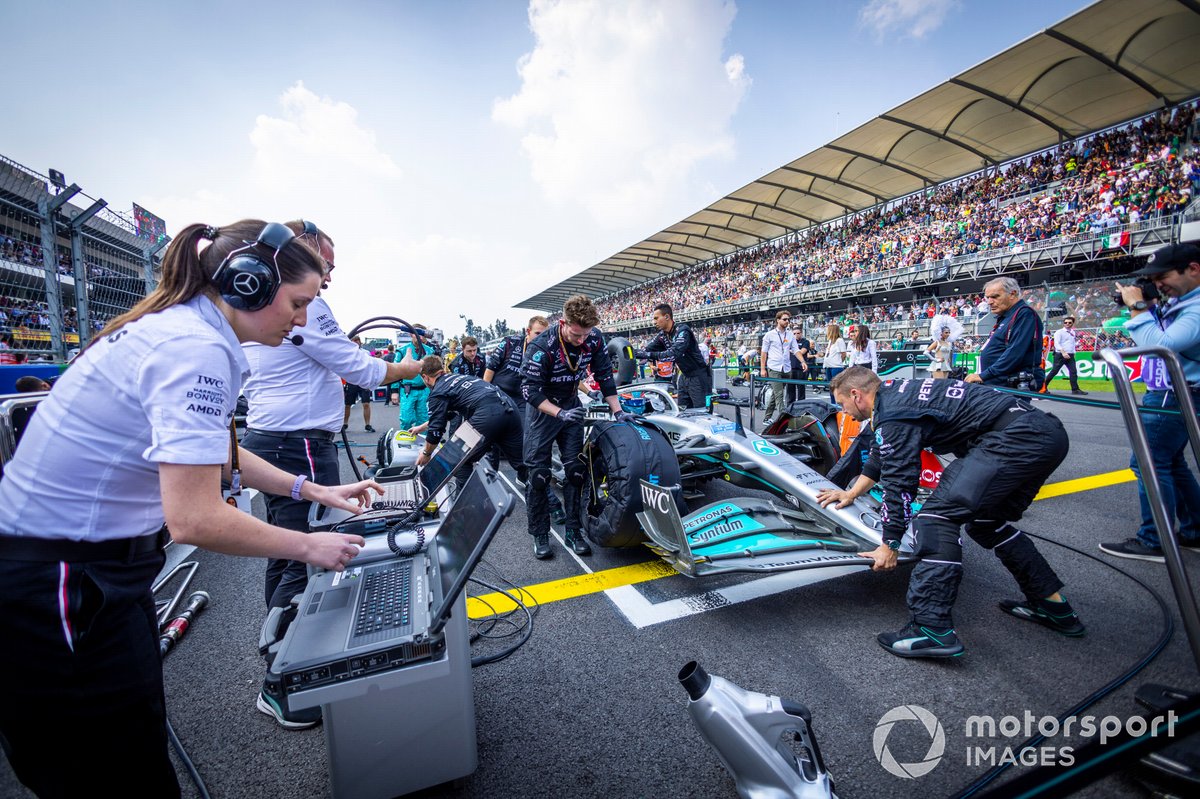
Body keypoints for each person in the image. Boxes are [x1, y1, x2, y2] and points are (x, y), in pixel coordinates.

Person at [0, 220, 375, 798]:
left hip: (82, 574)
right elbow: (195, 519)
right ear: (249, 285)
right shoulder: (196, 349)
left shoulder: (188, 332)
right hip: (59, 583)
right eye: (299, 302)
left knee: (132, 751)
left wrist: (313, 492)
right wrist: (311, 545)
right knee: (109, 774)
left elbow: (218, 455)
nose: (302, 319)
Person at [239, 220, 418, 728]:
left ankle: (279, 655)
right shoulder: (303, 301)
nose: (328, 281)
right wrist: (413, 368)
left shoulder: (278, 301)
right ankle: (283, 685)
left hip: (272, 441)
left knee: (285, 549)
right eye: (327, 267)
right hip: (298, 445)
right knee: (306, 554)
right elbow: (362, 369)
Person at [820, 367, 1083, 659]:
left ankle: (932, 629)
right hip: (1046, 434)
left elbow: (900, 480)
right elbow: (883, 456)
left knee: (935, 518)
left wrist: (889, 544)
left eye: (842, 405)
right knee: (987, 523)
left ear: (856, 395)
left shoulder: (893, 413)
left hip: (1014, 438)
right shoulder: (896, 394)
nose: (844, 413)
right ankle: (1053, 606)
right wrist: (852, 492)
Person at [1100, 242, 1200, 561]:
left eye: (1162, 275)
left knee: (1149, 463)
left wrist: (1139, 308)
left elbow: (1161, 347)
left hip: (1175, 393)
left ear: (1193, 269)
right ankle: (1195, 530)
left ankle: (1155, 539)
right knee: (1171, 463)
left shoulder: (1196, 308)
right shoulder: (1182, 302)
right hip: (1175, 391)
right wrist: (1146, 304)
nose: (1157, 282)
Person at [522, 295, 633, 559]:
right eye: (575, 334)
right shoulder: (542, 346)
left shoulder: (593, 339)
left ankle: (574, 531)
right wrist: (557, 413)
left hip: (571, 405)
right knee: (538, 475)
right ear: (563, 323)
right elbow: (529, 391)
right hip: (543, 409)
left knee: (575, 472)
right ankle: (540, 534)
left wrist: (618, 412)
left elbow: (605, 377)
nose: (581, 340)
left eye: (585, 334)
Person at [483, 316, 566, 522]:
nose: (542, 337)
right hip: (497, 395)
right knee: (490, 449)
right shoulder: (509, 343)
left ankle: (546, 498)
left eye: (545, 334)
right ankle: (486, 499)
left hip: (522, 400)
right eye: (538, 333)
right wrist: (486, 398)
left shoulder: (547, 349)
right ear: (527, 331)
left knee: (525, 450)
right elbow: (489, 372)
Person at [410, 356, 525, 479]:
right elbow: (444, 415)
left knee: (458, 460)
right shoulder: (458, 378)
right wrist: (421, 428)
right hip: (509, 406)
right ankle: (541, 493)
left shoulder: (438, 391)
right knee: (523, 464)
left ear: (425, 377)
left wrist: (427, 453)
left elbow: (436, 430)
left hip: (487, 413)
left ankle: (469, 498)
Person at [966, 277, 1045, 389]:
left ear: (1012, 294)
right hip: (1000, 384)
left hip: (1011, 385)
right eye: (987, 297)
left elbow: (1014, 352)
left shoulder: (1024, 314)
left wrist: (984, 375)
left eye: (995, 297)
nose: (989, 302)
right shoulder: (1007, 316)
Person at [636, 303, 712, 409]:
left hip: (698, 376)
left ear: (667, 317)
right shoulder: (662, 335)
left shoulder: (683, 330)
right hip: (684, 376)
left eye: (656, 318)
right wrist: (627, 352)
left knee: (701, 412)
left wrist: (648, 355)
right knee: (682, 411)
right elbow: (646, 350)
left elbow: (674, 353)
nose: (654, 322)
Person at [760, 310, 798, 426]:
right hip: (773, 367)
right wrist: (763, 369)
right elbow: (764, 353)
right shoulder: (769, 334)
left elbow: (796, 350)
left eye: (788, 320)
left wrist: (802, 361)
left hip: (786, 368)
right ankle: (783, 421)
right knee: (779, 394)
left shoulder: (790, 334)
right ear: (778, 320)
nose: (787, 321)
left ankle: (767, 418)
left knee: (776, 394)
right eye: (785, 319)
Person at [396, 325, 433, 429]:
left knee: (423, 420)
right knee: (406, 419)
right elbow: (395, 370)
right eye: (417, 334)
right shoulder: (402, 351)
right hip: (408, 390)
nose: (420, 337)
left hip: (425, 390)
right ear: (411, 334)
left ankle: (422, 444)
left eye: (421, 334)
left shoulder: (430, 351)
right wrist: (394, 391)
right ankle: (405, 441)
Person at [342, 335, 377, 433]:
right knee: (347, 404)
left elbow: (371, 366)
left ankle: (368, 425)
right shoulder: (347, 353)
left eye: (357, 341)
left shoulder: (366, 353)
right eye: (354, 341)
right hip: (352, 381)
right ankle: (345, 424)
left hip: (363, 381)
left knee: (366, 403)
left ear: (360, 342)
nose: (356, 342)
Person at [1044, 316, 1088, 395]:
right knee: (1054, 371)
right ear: (1063, 323)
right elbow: (1057, 343)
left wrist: (1073, 352)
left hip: (1070, 355)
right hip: (1060, 354)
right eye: (1065, 322)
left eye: (1069, 323)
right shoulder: (1059, 332)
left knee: (1073, 372)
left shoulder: (1073, 332)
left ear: (1072, 323)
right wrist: (1063, 352)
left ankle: (1075, 389)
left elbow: (1072, 343)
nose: (1067, 324)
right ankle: (1043, 387)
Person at [788, 326, 812, 402]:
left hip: (800, 368)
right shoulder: (789, 342)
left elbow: (802, 352)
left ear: (801, 333)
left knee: (801, 389)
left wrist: (792, 350)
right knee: (790, 390)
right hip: (790, 368)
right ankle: (790, 408)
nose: (796, 335)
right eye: (794, 333)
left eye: (798, 333)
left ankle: (801, 407)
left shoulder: (805, 342)